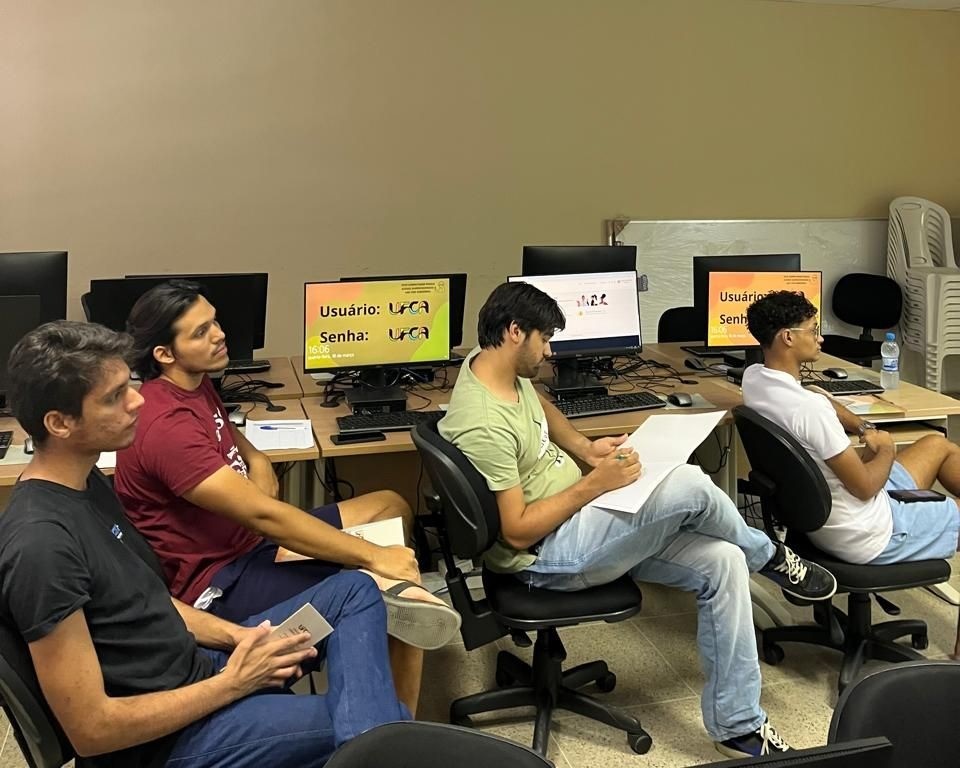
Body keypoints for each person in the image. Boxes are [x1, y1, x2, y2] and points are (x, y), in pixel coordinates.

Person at [438, 282, 838, 759]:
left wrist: (585, 449)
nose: (548, 353)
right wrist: (596, 482)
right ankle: (770, 557)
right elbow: (518, 531)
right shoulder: (483, 423)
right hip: (546, 557)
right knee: (689, 483)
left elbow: (536, 402)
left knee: (724, 560)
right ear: (514, 331)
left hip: (582, 521)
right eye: (544, 340)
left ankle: (738, 726)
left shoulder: (492, 365)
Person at [0, 321, 409, 767]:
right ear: (60, 423)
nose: (138, 400)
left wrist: (241, 637)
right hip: (164, 743)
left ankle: (369, 741)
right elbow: (92, 730)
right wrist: (236, 682)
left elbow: (149, 601)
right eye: (115, 397)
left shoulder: (86, 481)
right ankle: (376, 743)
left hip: (196, 668)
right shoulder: (41, 546)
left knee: (354, 592)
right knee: (387, 728)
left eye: (128, 385)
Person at [113, 281, 459, 715]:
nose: (219, 334)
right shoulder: (165, 424)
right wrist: (373, 556)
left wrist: (258, 468)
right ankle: (397, 728)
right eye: (201, 332)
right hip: (222, 581)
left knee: (390, 505)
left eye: (215, 322)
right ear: (165, 354)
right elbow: (265, 516)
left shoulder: (194, 383)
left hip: (251, 543)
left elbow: (240, 448)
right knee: (397, 597)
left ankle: (372, 623)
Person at [740, 290, 960, 659]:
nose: (821, 338)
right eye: (813, 330)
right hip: (868, 532)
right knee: (899, 456)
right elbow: (864, 486)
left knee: (937, 445)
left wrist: (863, 428)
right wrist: (886, 448)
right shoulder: (809, 412)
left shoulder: (755, 379)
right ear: (788, 337)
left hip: (821, 518)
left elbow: (818, 395)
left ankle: (935, 517)